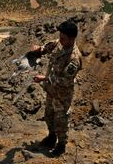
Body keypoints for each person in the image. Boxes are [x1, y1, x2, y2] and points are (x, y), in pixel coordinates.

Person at [32, 20, 82, 156]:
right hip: (51, 90)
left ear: (71, 39)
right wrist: (40, 49)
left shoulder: (74, 58)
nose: (60, 40)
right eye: (60, 36)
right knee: (49, 114)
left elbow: (65, 81)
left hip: (62, 94)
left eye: (63, 38)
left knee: (61, 118)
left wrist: (45, 78)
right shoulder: (61, 43)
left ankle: (61, 145)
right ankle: (51, 137)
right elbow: (50, 46)